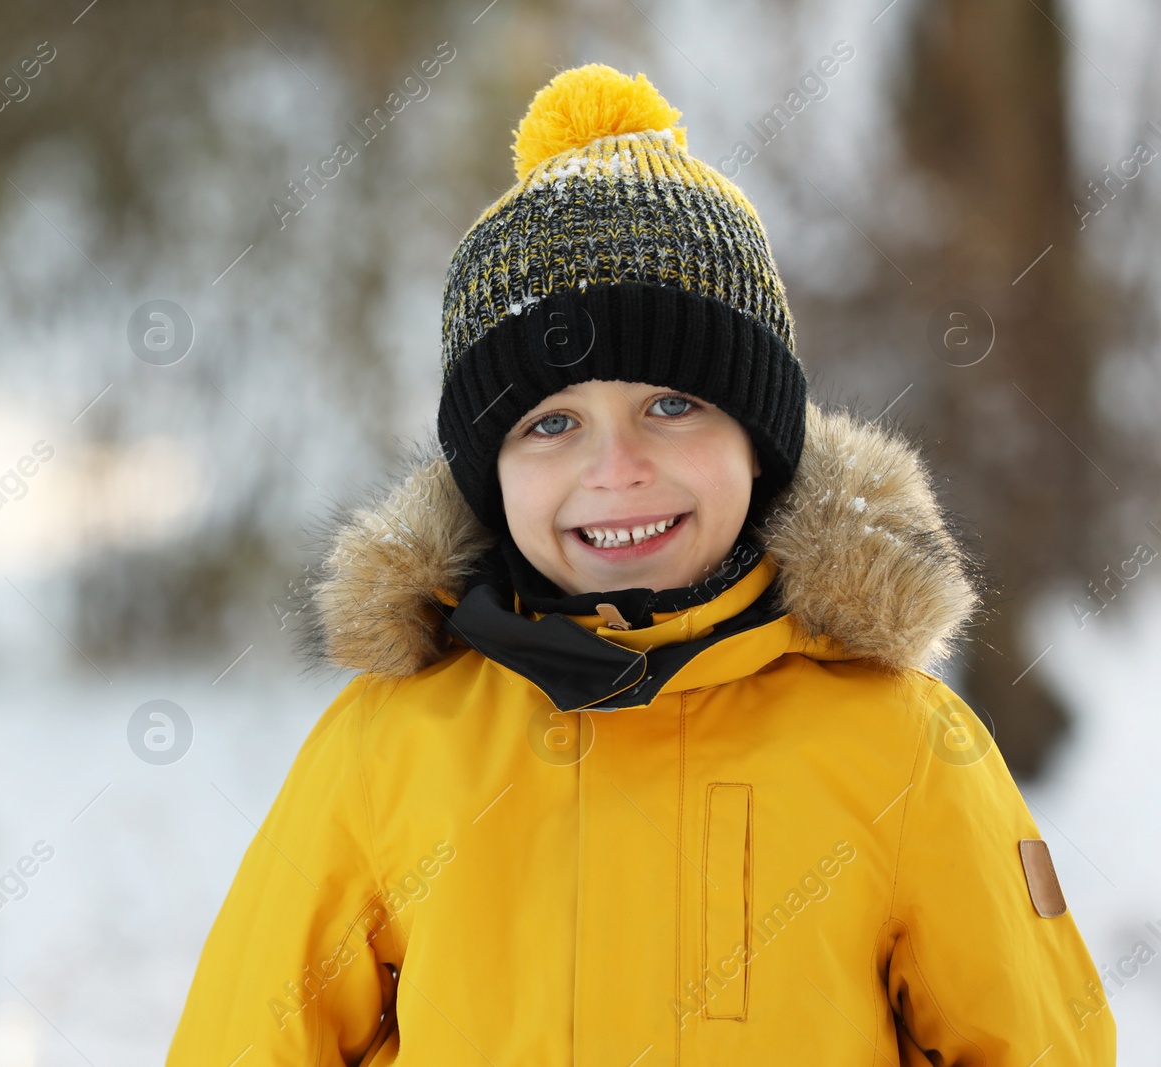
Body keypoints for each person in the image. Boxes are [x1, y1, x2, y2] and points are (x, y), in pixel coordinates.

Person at [165, 63, 1116, 1064]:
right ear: (488, 474)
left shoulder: (902, 749)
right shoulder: (386, 750)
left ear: (759, 437)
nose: (616, 470)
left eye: (671, 404)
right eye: (552, 422)